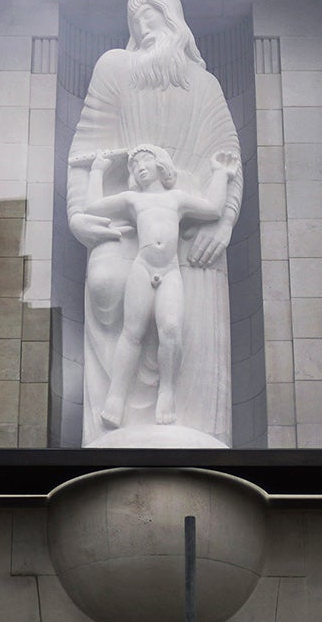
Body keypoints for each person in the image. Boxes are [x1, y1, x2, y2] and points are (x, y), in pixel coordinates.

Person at [66, 0, 243, 444]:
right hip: (128, 223)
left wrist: (223, 222)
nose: (144, 28)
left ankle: (187, 423)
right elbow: (86, 150)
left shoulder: (206, 86)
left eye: (153, 16)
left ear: (174, 20)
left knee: (178, 332)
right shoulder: (114, 68)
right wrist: (76, 214)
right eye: (135, 20)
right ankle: (113, 418)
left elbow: (228, 158)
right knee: (110, 292)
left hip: (193, 232)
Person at [73, 144, 239, 428]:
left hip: (170, 269)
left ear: (161, 164)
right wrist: (98, 172)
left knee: (171, 330)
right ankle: (115, 396)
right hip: (143, 266)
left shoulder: (177, 199)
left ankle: (167, 392)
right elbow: (92, 207)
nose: (139, 166)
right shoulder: (132, 200)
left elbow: (212, 209)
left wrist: (221, 174)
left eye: (145, 159)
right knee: (132, 332)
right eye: (134, 164)